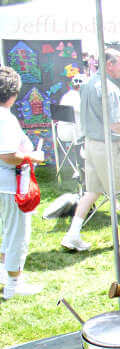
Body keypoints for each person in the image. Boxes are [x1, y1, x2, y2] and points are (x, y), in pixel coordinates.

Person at [61, 48, 120, 251]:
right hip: (106, 147)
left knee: (92, 191)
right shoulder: (109, 89)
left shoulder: (87, 84)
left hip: (90, 144)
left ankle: (72, 235)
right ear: (109, 64)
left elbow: (101, 117)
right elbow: (116, 125)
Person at [0, 66, 45, 299]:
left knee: (6, 231)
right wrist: (33, 157)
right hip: (9, 185)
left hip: (4, 186)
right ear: (13, 94)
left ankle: (5, 275)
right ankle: (13, 285)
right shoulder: (5, 118)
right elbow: (7, 155)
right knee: (17, 235)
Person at [57, 74, 85, 144]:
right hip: (73, 133)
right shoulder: (76, 97)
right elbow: (86, 112)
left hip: (63, 132)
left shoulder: (67, 95)